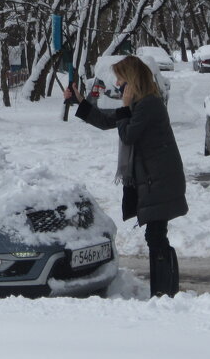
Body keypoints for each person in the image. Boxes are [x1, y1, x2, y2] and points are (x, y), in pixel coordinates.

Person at [65, 55, 188, 297]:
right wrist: (80, 102)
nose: (118, 83)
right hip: (153, 180)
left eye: (120, 78)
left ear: (131, 79)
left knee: (156, 236)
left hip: (159, 181)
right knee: (156, 236)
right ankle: (165, 292)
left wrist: (123, 106)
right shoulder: (139, 105)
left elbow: (128, 135)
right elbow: (107, 121)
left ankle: (164, 294)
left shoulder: (149, 105)